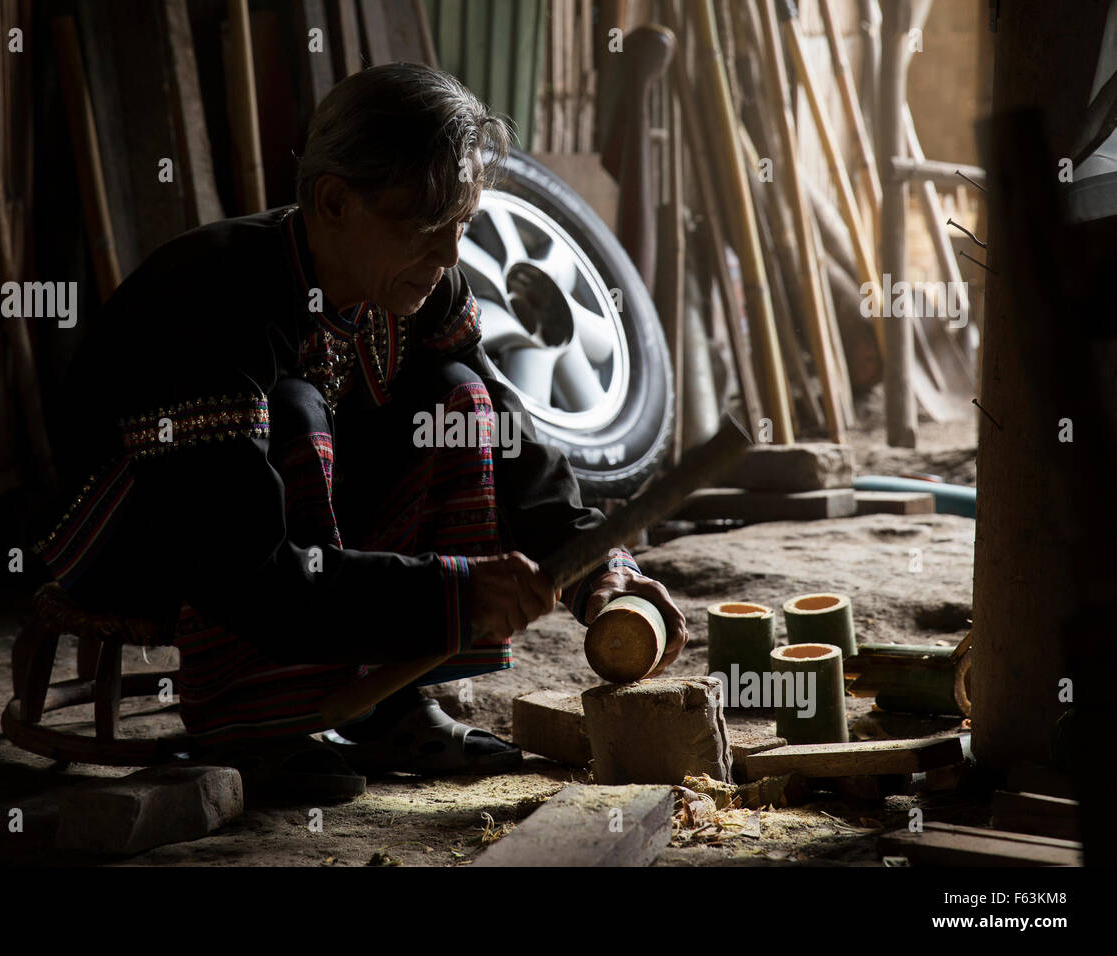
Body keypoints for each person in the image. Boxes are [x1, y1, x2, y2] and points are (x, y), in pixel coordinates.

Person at [35, 63, 687, 800]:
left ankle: (383, 705)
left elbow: (509, 434)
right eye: (424, 227)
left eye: (462, 226)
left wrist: (596, 566)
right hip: (151, 539)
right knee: (295, 412)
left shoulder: (421, 283)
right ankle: (252, 719)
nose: (448, 257)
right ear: (335, 201)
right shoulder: (215, 300)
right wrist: (456, 593)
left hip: (288, 532)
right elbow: (243, 568)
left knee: (459, 398)